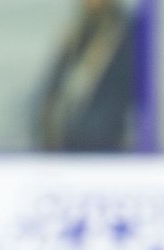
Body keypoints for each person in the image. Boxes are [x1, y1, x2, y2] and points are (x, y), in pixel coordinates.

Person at [35, 0, 139, 153]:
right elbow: (53, 86)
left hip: (100, 142)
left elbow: (118, 97)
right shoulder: (78, 30)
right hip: (68, 137)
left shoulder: (122, 31)